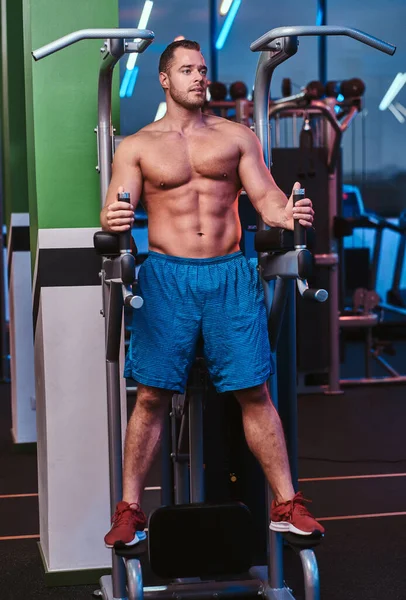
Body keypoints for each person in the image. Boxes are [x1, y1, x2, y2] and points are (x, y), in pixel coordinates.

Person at [100, 39, 324, 548]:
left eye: (202, 69)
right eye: (187, 70)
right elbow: (117, 205)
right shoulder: (136, 145)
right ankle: (131, 509)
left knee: (254, 390)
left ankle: (287, 505)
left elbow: (264, 195)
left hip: (229, 275)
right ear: (165, 79)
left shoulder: (237, 137)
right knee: (153, 396)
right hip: (167, 278)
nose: (198, 77)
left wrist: (282, 213)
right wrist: (112, 218)